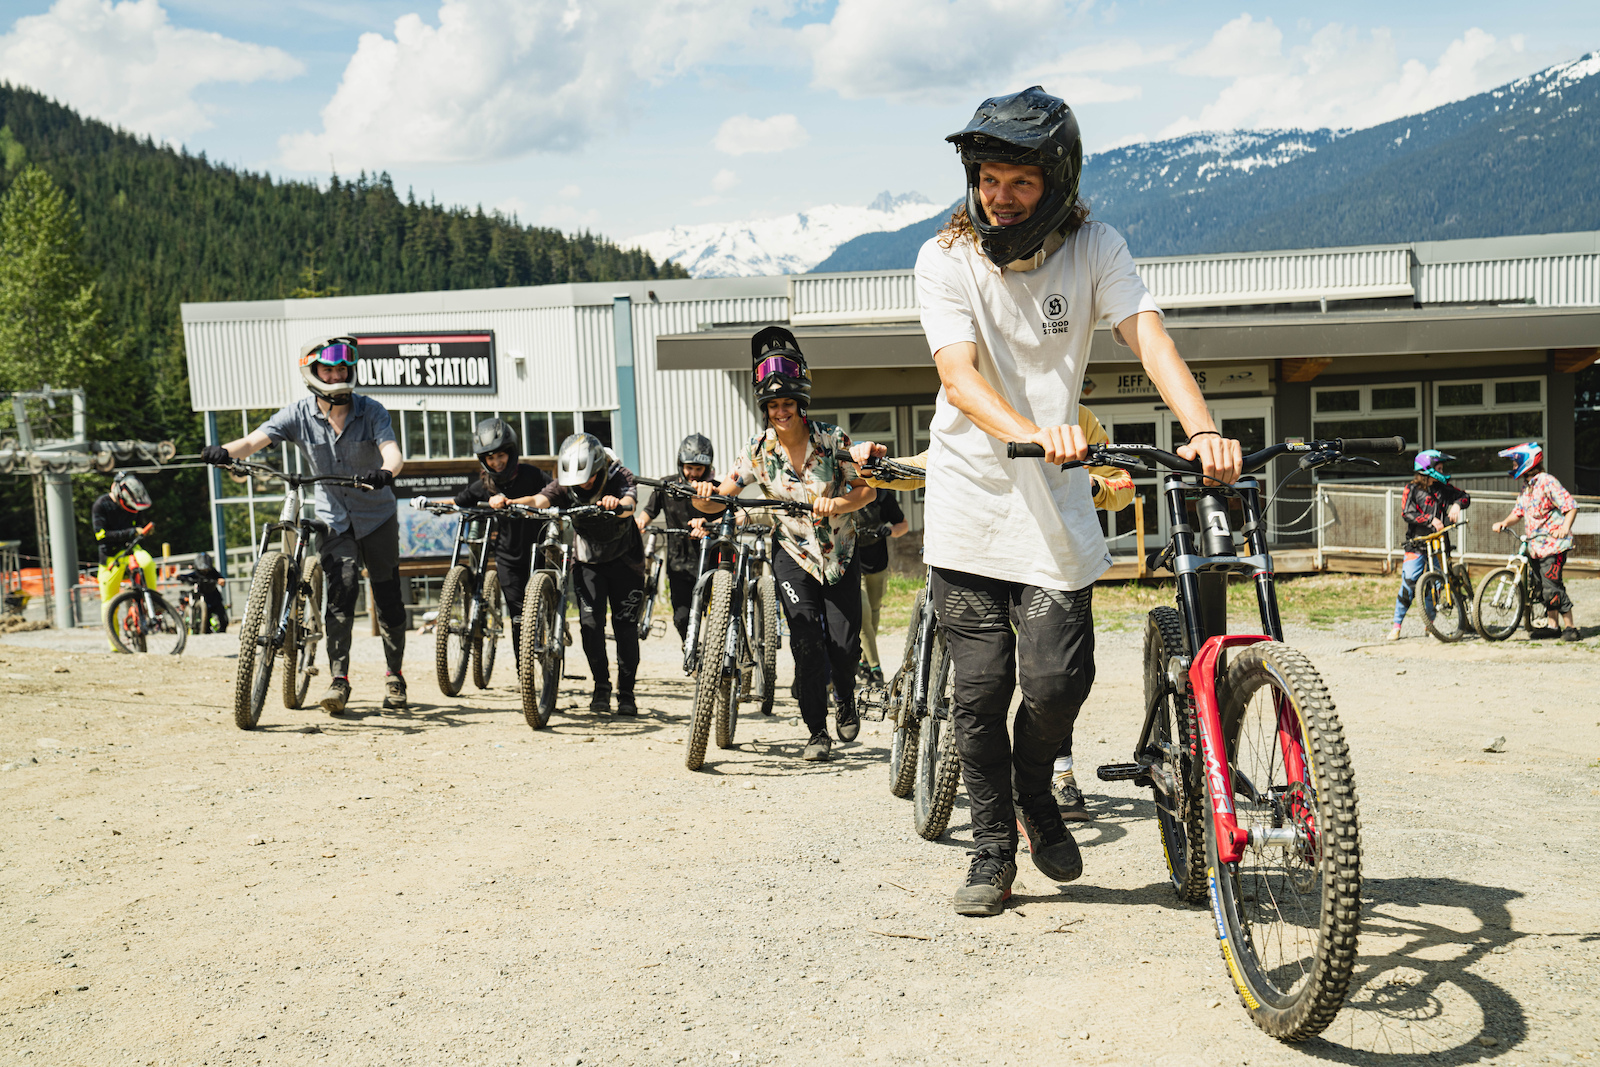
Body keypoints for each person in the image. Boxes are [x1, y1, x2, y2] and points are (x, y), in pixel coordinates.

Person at [918, 86, 1241, 917]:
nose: (1000, 196)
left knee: (1059, 681)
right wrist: (1031, 428)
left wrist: (1202, 428)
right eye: (989, 178)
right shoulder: (944, 259)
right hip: (968, 505)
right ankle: (993, 848)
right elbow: (960, 375)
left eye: (1019, 181)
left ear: (1056, 181)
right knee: (979, 693)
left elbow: (1149, 335)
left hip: (1051, 507)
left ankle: (1035, 786)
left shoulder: (1096, 247)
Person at [851, 403, 1135, 820]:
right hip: (976, 552)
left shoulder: (1074, 409)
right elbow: (930, 464)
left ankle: (1059, 771)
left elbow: (1122, 485)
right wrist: (877, 466)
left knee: (1056, 677)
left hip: (1047, 556)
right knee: (984, 683)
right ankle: (998, 820)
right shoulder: (970, 402)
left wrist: (1085, 484)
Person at [694, 327, 876, 762]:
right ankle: (816, 732)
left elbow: (867, 492)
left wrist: (834, 503)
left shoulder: (833, 440)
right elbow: (724, 492)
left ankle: (846, 699)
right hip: (792, 556)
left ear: (800, 404)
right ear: (766, 409)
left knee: (844, 646)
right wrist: (706, 500)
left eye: (787, 404)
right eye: (773, 406)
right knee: (805, 641)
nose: (781, 412)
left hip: (840, 556)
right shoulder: (756, 450)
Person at [202, 336, 409, 715]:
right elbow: (253, 441)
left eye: (342, 368)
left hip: (377, 516)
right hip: (335, 520)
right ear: (312, 372)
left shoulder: (372, 411)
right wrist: (223, 452)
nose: (336, 375)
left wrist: (384, 472)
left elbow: (392, 452)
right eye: (328, 369)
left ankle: (394, 675)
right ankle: (339, 679)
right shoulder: (297, 414)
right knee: (342, 593)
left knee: (388, 597)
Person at [516, 433, 644, 715]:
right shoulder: (567, 483)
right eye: (576, 480)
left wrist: (617, 504)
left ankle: (627, 694)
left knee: (625, 627)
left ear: (598, 468)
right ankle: (601, 687)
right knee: (590, 626)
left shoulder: (619, 474)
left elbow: (630, 504)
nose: (583, 484)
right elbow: (541, 499)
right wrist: (513, 501)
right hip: (588, 561)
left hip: (626, 560)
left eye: (588, 478)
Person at [413, 418, 549, 668]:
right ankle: (525, 673)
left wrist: (519, 501)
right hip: (508, 556)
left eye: (500, 455)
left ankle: (549, 653)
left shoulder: (533, 475)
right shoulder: (484, 485)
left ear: (511, 451)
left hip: (538, 551)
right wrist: (429, 504)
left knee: (541, 609)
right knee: (519, 616)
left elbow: (553, 493)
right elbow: (459, 503)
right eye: (490, 458)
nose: (496, 462)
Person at [1491, 442, 1580, 641]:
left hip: (1553, 546)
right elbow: (1518, 512)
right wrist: (1505, 522)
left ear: (1528, 462)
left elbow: (1570, 505)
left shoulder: (1547, 481)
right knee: (1541, 587)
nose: (1514, 467)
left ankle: (1571, 628)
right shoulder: (1527, 487)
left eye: (1516, 463)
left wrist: (1565, 527)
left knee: (1552, 586)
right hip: (1535, 547)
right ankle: (1552, 626)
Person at [636, 433, 716, 644]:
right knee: (681, 617)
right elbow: (649, 511)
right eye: (689, 467)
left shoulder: (716, 489)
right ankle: (690, 648)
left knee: (714, 616)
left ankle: (713, 654)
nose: (693, 474)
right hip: (677, 561)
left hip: (710, 561)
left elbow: (727, 519)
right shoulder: (667, 485)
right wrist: (641, 522)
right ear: (680, 463)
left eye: (699, 469)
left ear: (707, 467)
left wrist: (708, 528)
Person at [1388, 450, 1471, 641]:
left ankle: (1430, 625)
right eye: (1439, 467)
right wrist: (1430, 520)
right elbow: (1406, 513)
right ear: (1427, 469)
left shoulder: (1443, 488)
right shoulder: (1412, 488)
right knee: (1408, 584)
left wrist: (1458, 504)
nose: (1442, 471)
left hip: (1440, 545)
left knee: (1436, 586)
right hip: (1417, 544)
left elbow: (1465, 496)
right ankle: (1396, 625)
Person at [93, 471, 156, 651]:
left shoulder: (135, 505)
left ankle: (153, 602)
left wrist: (143, 531)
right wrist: (131, 532)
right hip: (110, 555)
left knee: (147, 562)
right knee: (108, 601)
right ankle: (115, 645)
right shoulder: (101, 505)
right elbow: (101, 536)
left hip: (130, 550)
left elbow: (139, 528)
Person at [854, 487, 909, 686]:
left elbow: (903, 525)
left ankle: (863, 662)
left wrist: (891, 531)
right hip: (853, 565)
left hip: (877, 564)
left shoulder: (883, 497)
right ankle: (876, 669)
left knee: (875, 613)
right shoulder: (845, 494)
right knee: (865, 615)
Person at [178, 551, 228, 634]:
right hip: (203, 598)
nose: (204, 571)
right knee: (205, 621)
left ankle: (221, 633)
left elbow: (220, 578)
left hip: (215, 598)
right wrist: (179, 576)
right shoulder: (197, 573)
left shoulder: (213, 572)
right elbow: (187, 576)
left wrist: (221, 580)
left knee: (223, 619)